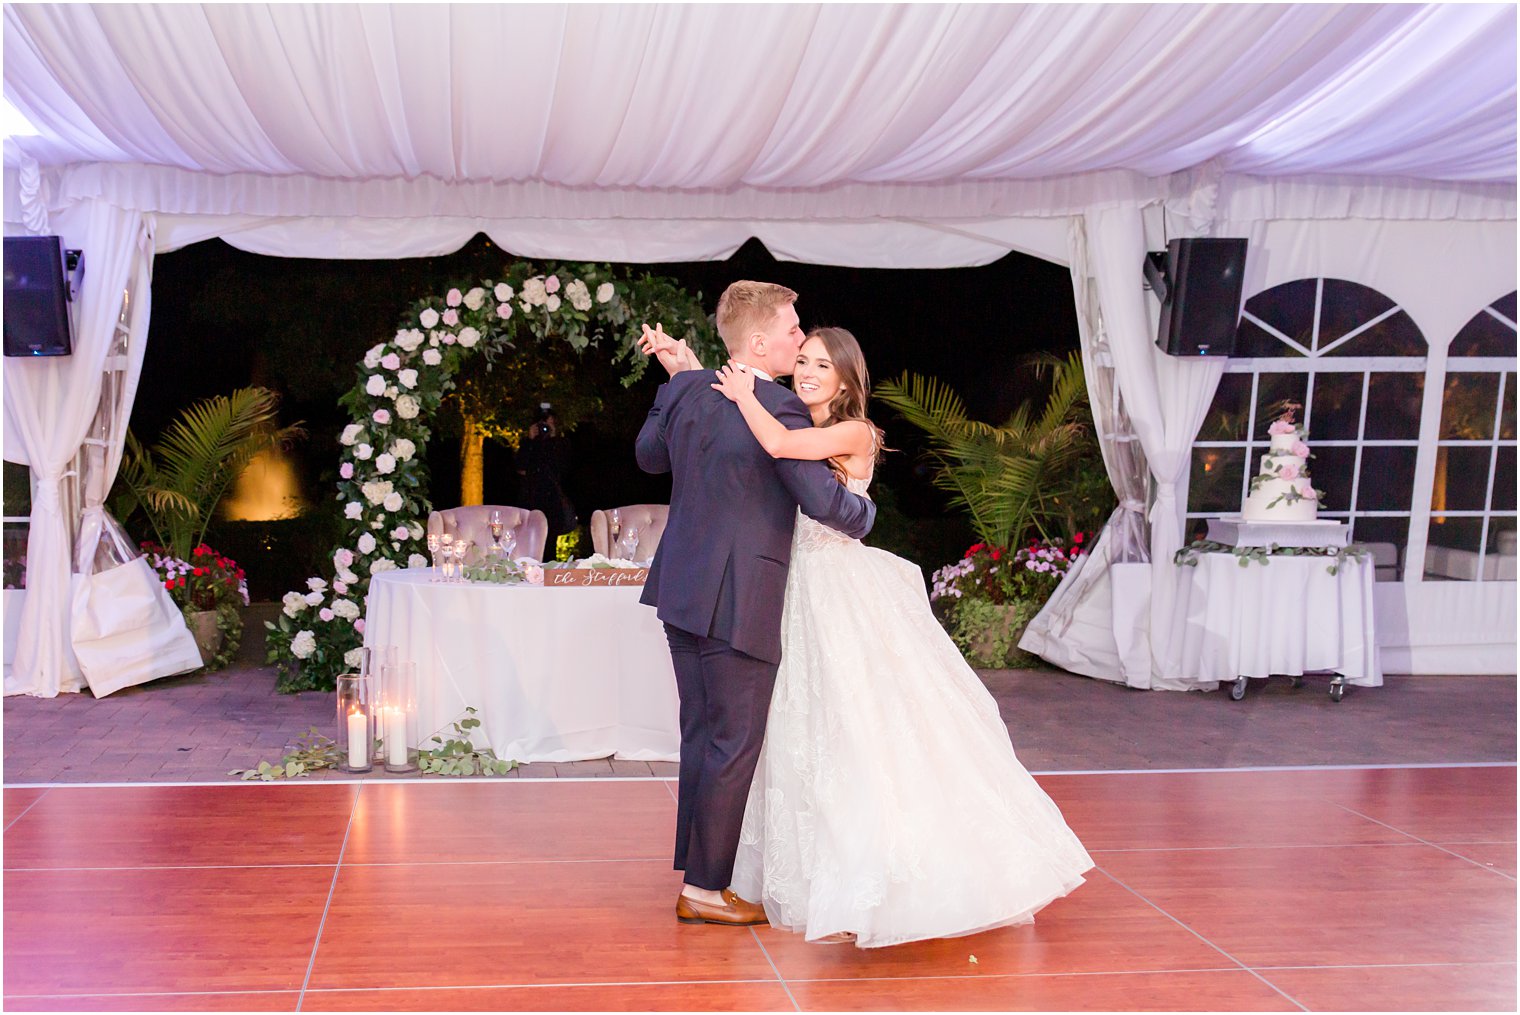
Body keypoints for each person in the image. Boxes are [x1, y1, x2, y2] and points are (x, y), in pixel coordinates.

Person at [653, 324, 1094, 948]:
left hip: (835, 586)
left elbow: (779, 447)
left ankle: (878, 873)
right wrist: (692, 369)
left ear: (845, 380)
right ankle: (783, 866)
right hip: (787, 588)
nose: (807, 372)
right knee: (791, 728)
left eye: (821, 365)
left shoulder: (851, 430)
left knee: (855, 723)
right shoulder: (795, 420)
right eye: (801, 359)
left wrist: (742, 389)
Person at [635, 282, 877, 928]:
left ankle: (701, 877)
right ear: (761, 341)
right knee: (734, 741)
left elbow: (648, 455)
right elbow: (824, 503)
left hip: (680, 590)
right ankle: (705, 888)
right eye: (794, 332)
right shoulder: (780, 409)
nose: (801, 342)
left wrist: (676, 381)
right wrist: (867, 510)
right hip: (741, 596)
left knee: (699, 735)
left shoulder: (686, 392)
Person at [516, 403, 576, 558]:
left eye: (550, 423)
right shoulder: (529, 444)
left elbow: (563, 467)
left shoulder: (560, 444)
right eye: (543, 424)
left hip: (552, 502)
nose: (546, 428)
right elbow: (521, 468)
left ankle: (549, 577)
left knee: (549, 545)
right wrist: (529, 440)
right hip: (531, 500)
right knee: (529, 543)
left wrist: (553, 438)